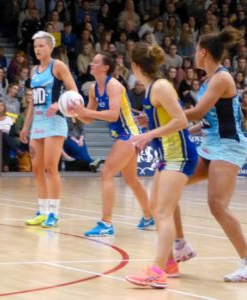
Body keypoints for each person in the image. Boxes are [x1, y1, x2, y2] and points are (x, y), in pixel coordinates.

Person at [174, 28, 247, 283]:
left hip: (229, 147)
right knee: (170, 185)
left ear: (203, 52)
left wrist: (165, 115)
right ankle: (180, 245)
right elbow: (207, 120)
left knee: (217, 206)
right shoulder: (207, 81)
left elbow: (200, 110)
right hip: (210, 144)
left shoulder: (222, 78)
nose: (193, 55)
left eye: (195, 51)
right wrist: (183, 130)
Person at [124, 42, 198, 288]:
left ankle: (157, 270)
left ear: (135, 66)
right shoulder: (151, 89)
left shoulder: (161, 87)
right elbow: (165, 117)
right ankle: (169, 263)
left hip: (180, 154)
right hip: (167, 154)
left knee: (163, 212)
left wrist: (148, 134)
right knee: (157, 209)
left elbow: (180, 121)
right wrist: (149, 122)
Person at [69, 52, 153, 237]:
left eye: (96, 62)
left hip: (130, 135)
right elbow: (88, 119)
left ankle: (106, 223)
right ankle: (149, 216)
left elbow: (113, 115)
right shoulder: (92, 89)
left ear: (106, 67)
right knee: (131, 179)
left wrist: (84, 111)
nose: (91, 63)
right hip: (124, 135)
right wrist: (74, 112)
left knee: (106, 174)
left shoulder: (113, 86)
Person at [20, 31, 78, 228]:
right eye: (35, 46)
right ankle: (43, 211)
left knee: (51, 168)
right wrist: (26, 126)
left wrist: (59, 104)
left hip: (55, 122)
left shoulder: (58, 66)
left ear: (50, 48)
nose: (37, 49)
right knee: (37, 169)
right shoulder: (33, 71)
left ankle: (54, 212)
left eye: (41, 46)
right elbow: (32, 102)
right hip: (38, 122)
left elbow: (74, 91)